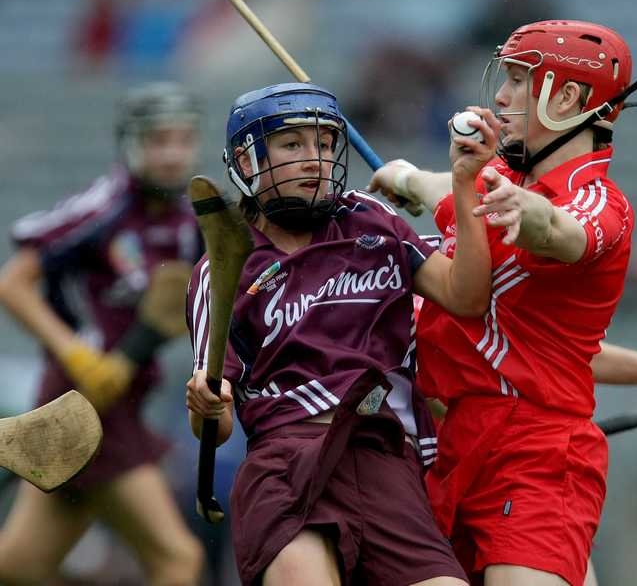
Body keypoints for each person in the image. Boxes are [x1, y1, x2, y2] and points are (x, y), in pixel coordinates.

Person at [366, 19, 637, 586]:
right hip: (455, 446)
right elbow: (534, 341)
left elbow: (562, 231)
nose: (500, 95)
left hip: (535, 460)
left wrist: (528, 214)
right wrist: (406, 176)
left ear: (565, 98)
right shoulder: (493, 179)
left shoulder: (599, 205)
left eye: (519, 80)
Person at [184, 82, 500, 586]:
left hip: (383, 454)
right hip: (286, 463)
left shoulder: (369, 218)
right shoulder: (221, 271)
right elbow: (215, 425)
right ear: (246, 163)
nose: (315, 159)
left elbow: (466, 297)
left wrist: (465, 184)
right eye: (293, 145)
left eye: (325, 144)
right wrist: (207, 407)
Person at [0, 82, 205, 585]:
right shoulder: (102, 209)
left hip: (124, 399)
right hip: (80, 404)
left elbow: (184, 303)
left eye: (183, 140)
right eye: (160, 141)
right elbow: (13, 283)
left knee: (20, 567)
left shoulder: (187, 222)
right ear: (131, 143)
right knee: (178, 560)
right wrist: (76, 353)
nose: (172, 155)